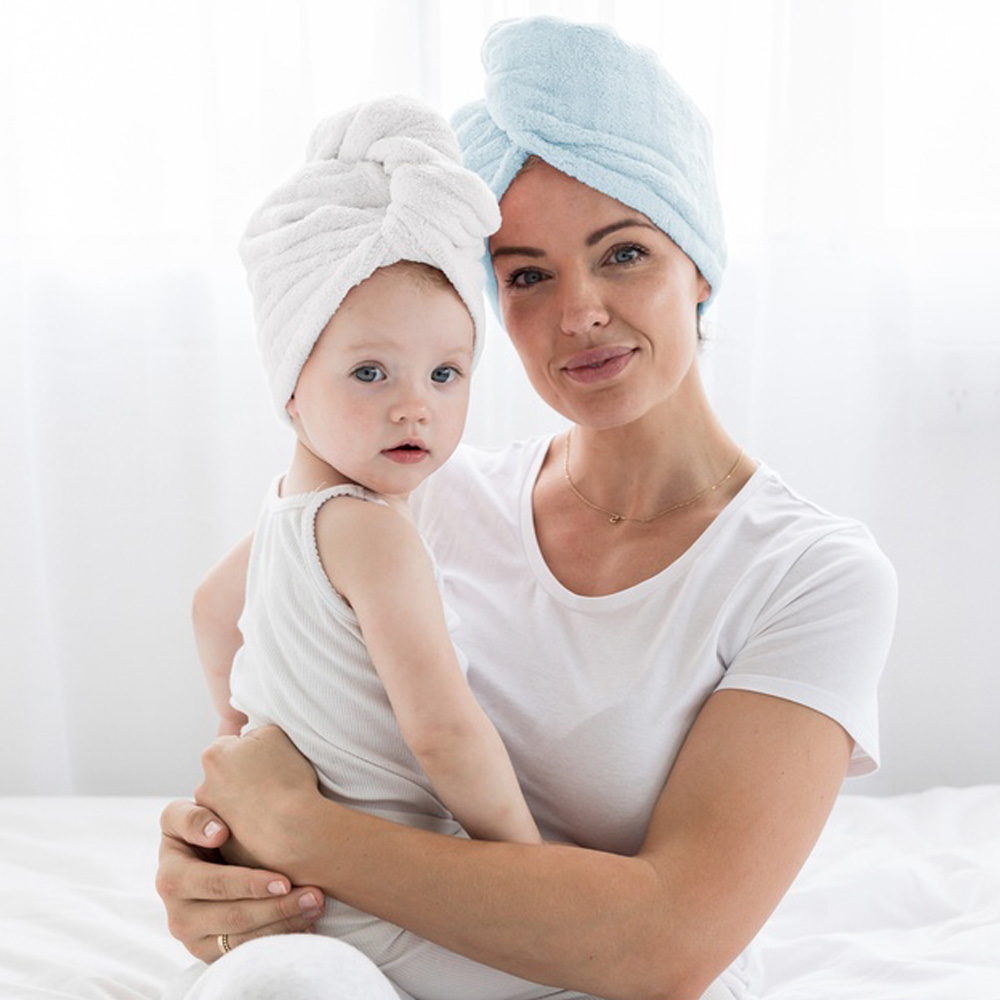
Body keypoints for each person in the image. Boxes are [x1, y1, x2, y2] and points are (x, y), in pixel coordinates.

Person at [157, 16, 897, 1000]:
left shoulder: (811, 575)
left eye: (624, 252)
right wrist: (217, 870)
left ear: (700, 265)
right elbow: (258, 678)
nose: (578, 309)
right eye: (527, 275)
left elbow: (668, 945)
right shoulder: (421, 490)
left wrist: (307, 833)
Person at [165, 95, 568, 999]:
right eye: (370, 371)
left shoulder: (286, 514)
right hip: (386, 897)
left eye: (445, 373)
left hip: (300, 881)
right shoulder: (371, 532)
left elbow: (207, 607)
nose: (414, 404)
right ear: (291, 386)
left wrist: (240, 741)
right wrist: (528, 873)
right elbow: (444, 732)